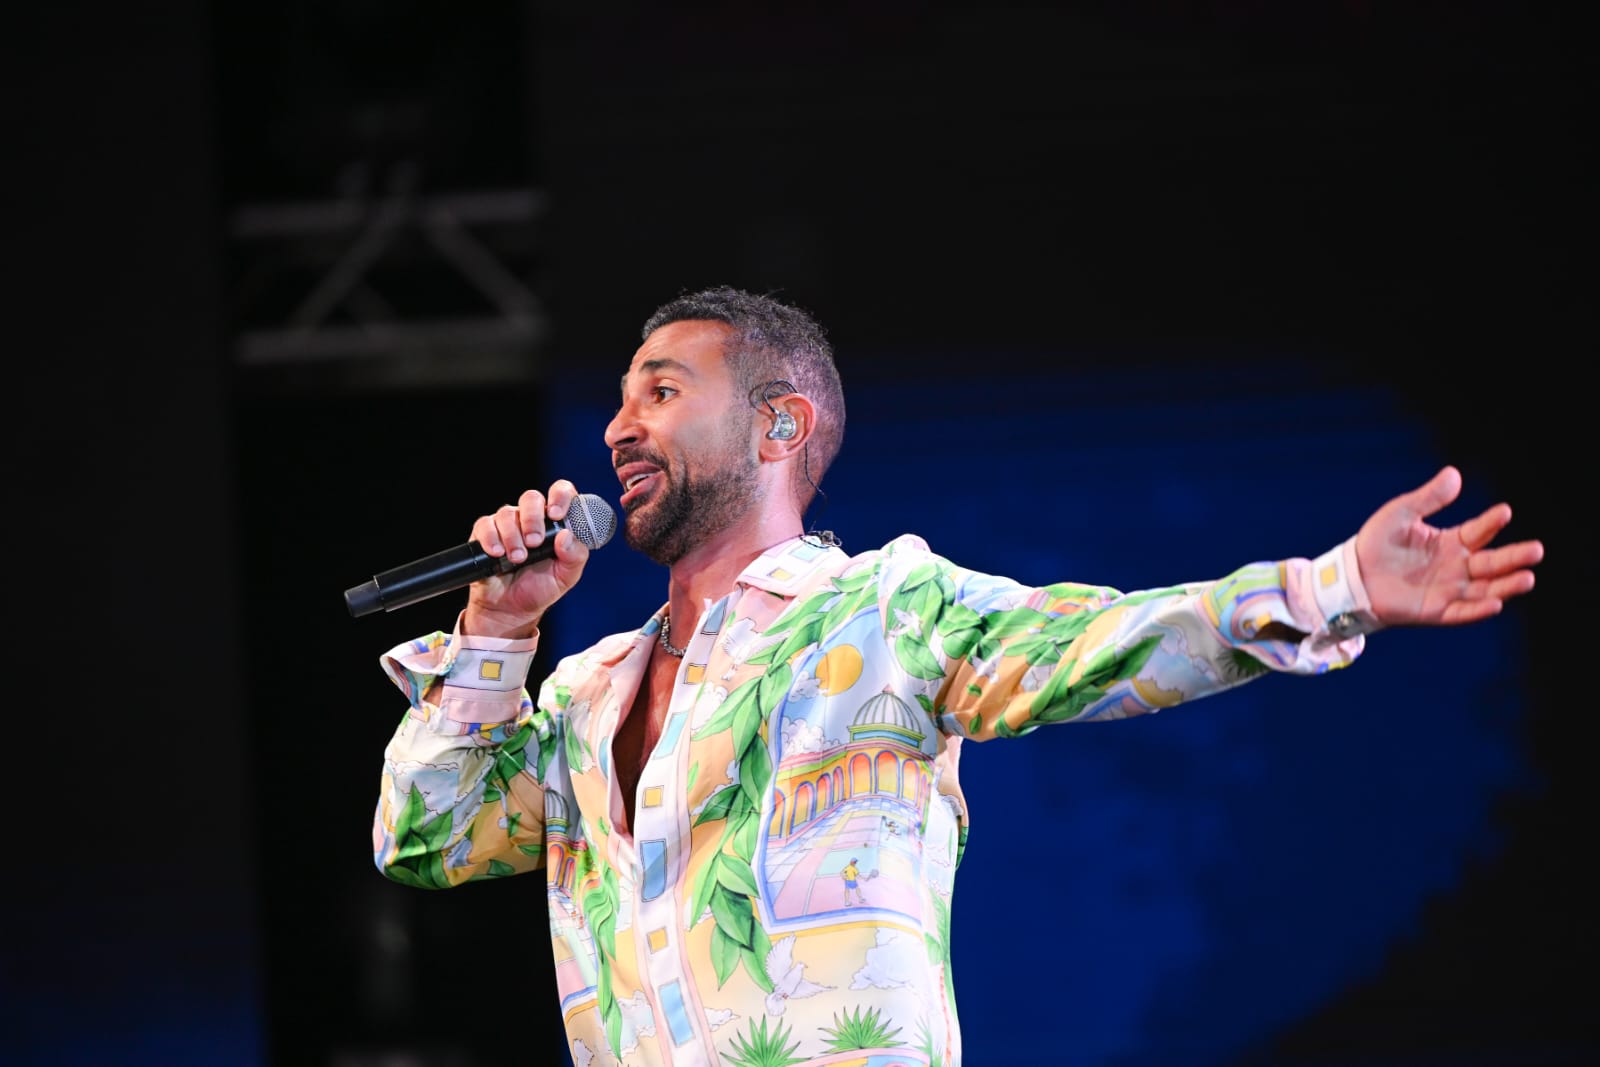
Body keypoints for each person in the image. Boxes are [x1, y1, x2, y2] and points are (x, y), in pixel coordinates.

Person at [368, 286, 1543, 1067]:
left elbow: (1100, 641)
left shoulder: (884, 610)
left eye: (662, 391)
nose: (619, 427)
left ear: (780, 427)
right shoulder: (587, 691)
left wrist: (1336, 585)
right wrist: (498, 622)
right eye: (622, 397)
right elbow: (430, 837)